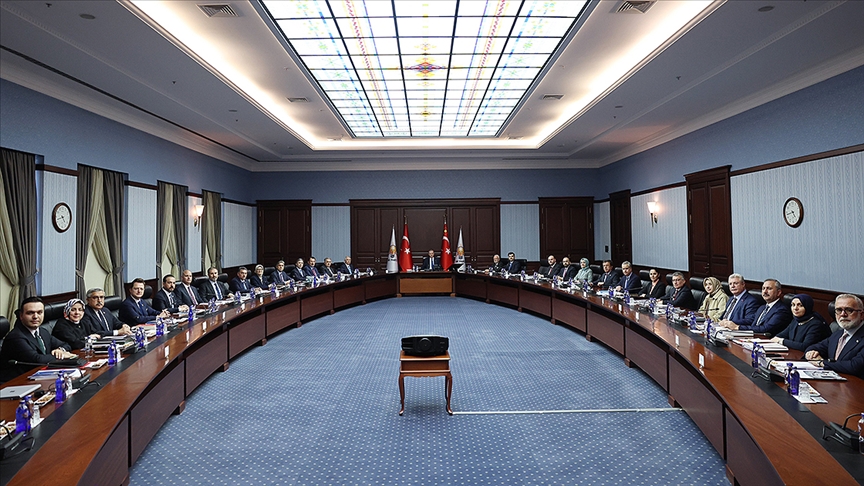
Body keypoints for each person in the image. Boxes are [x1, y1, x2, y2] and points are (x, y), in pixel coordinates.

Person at [0, 297, 78, 380]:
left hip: (40, 376)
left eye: (39, 312)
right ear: (21, 316)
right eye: (30, 313)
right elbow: (37, 360)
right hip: (17, 381)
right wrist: (61, 356)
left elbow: (66, 345)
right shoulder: (15, 337)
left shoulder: (42, 331)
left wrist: (60, 350)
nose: (35, 316)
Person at [805, 294, 864, 377]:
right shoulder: (838, 334)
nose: (843, 314)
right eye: (839, 310)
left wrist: (821, 363)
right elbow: (814, 347)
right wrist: (811, 353)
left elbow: (854, 366)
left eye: (849, 310)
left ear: (861, 315)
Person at [719, 279, 790, 334]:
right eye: (763, 288)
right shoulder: (762, 308)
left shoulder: (781, 310)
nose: (765, 291)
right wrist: (728, 323)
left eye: (769, 289)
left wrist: (738, 327)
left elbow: (766, 329)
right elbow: (750, 322)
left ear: (778, 292)